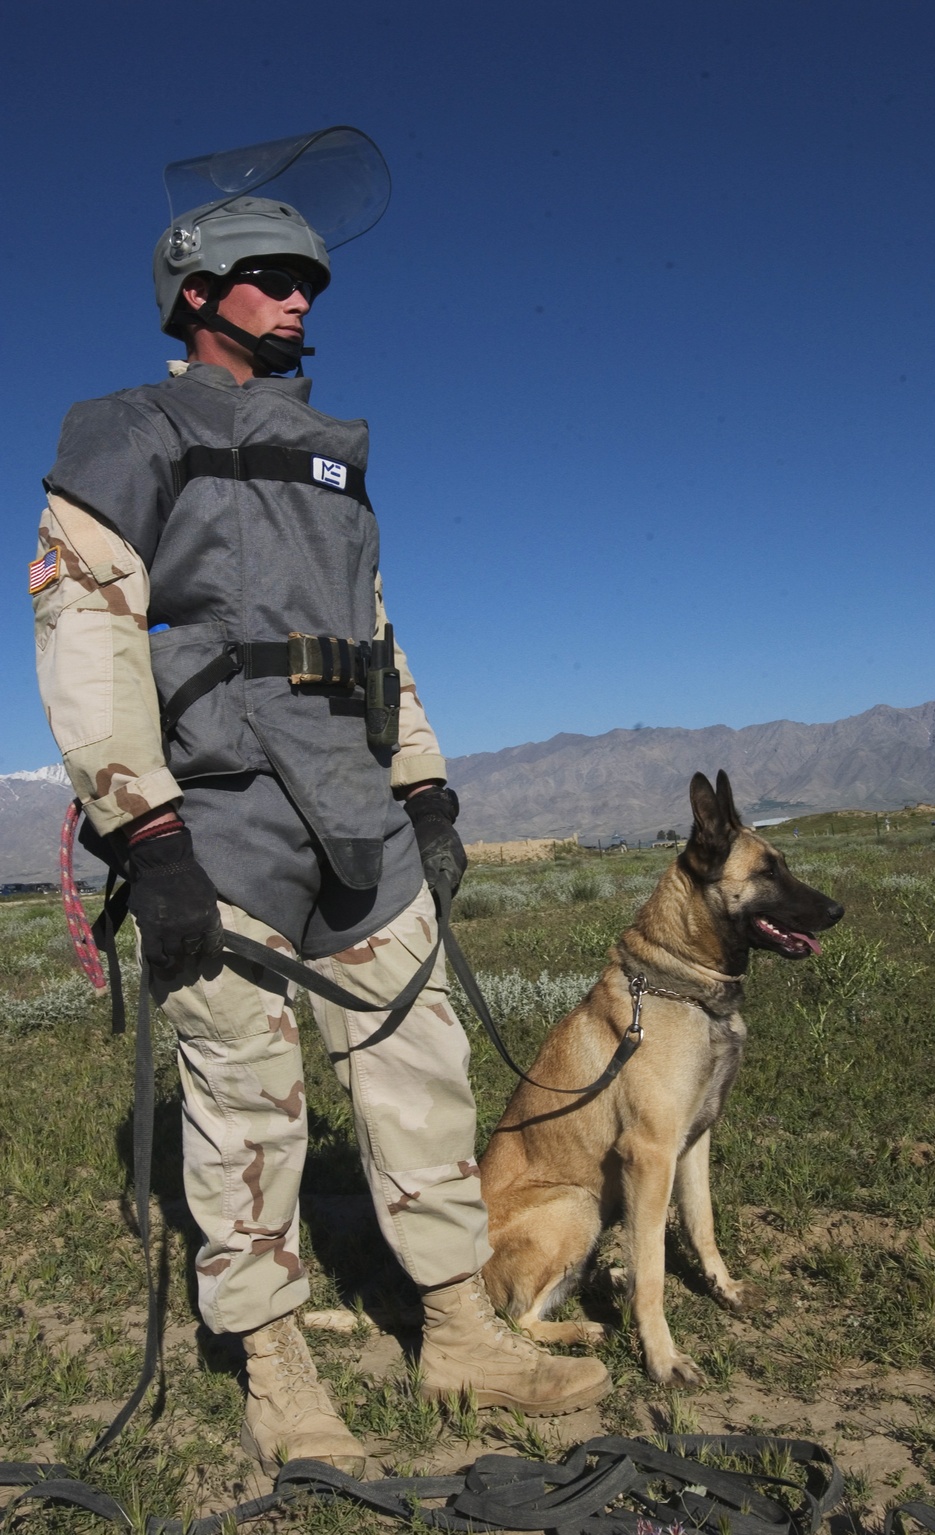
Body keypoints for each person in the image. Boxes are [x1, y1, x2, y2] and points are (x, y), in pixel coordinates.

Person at [31, 171, 609, 1478]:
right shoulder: (123, 432)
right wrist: (147, 837)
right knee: (246, 1107)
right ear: (196, 294)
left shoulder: (336, 453)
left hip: (361, 823)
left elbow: (375, 639)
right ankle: (278, 1376)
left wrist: (429, 787)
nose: (300, 298)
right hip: (219, 823)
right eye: (273, 279)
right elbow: (87, 645)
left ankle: (460, 1332)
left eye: (310, 284)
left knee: (423, 1079)